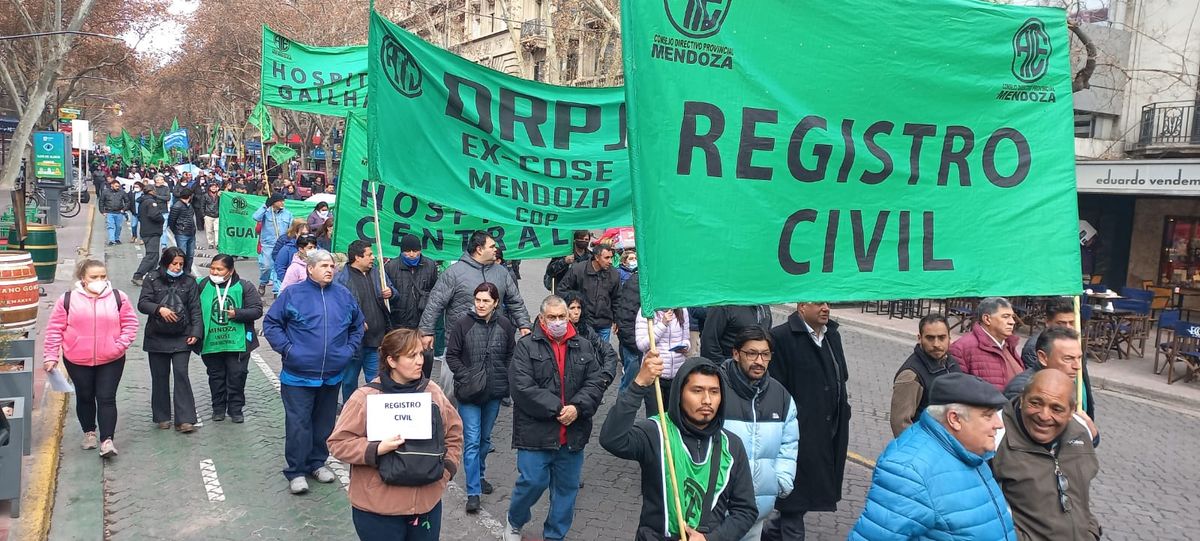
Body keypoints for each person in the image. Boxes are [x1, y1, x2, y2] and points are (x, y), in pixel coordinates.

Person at [600, 352, 759, 540]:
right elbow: (612, 439)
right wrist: (639, 385)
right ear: (679, 393)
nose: (707, 400)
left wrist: (711, 539)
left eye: (714, 392)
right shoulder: (657, 433)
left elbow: (745, 510)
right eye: (697, 391)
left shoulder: (730, 445)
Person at [328, 329, 464, 541]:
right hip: (377, 510)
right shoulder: (364, 397)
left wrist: (447, 469)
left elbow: (454, 433)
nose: (420, 361)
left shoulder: (433, 392)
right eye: (412, 356)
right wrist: (376, 448)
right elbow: (338, 443)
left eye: (421, 354)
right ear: (391, 360)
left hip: (425, 505)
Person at [849, 373, 1016, 540]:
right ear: (954, 419)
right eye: (988, 416)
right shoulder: (909, 472)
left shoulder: (969, 450)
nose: (998, 424)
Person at [503, 296, 607, 541]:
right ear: (542, 318)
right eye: (552, 317)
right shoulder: (526, 346)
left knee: (566, 490)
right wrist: (559, 408)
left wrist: (577, 408)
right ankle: (515, 520)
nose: (558, 321)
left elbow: (595, 382)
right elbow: (521, 387)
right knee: (532, 481)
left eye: (562, 316)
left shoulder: (583, 345)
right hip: (535, 432)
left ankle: (555, 535)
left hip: (572, 434)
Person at [263, 249, 364, 495]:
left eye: (332, 266)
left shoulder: (343, 295)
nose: (330, 269)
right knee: (299, 424)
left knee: (324, 423)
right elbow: (271, 324)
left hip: (331, 375)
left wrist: (347, 351)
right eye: (324, 266)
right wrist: (288, 350)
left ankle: (318, 462)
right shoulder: (293, 294)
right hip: (298, 375)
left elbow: (357, 325)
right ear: (310, 269)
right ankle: (296, 470)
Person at [764, 301, 849, 541]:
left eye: (828, 303)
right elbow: (776, 388)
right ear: (802, 307)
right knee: (794, 503)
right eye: (818, 303)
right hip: (797, 435)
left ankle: (768, 533)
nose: (825, 308)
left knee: (797, 505)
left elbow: (840, 375)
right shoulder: (781, 337)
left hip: (827, 434)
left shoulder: (832, 335)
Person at [43, 260, 139, 457]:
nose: (100, 281)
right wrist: (51, 356)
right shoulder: (67, 300)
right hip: (77, 360)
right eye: (94, 277)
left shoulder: (118, 297)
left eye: (103, 276)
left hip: (112, 359)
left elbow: (130, 323)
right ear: (83, 279)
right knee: (85, 397)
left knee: (106, 398)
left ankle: (107, 441)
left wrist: (118, 345)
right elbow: (55, 329)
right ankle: (89, 432)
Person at [991, 370, 1101, 541]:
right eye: (1035, 403)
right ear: (1022, 399)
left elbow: (1081, 495)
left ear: (1072, 410)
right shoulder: (994, 436)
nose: (1044, 416)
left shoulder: (1080, 432)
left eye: (1056, 409)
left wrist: (1090, 531)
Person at [721, 328, 799, 540]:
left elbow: (789, 444)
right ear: (736, 354)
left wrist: (781, 481)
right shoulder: (716, 390)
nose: (759, 361)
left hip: (757, 510)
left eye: (765, 354)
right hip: (716, 512)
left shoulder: (780, 396)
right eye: (751, 353)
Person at [444, 282, 516, 513]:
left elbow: (511, 354)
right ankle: (473, 491)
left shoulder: (505, 325)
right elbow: (452, 355)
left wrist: (503, 375)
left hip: (494, 392)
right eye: (478, 300)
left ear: (495, 302)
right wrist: (467, 376)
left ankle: (480, 475)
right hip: (469, 394)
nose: (481, 304)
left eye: (486, 300)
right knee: (472, 440)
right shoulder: (462, 324)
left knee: (485, 439)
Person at [418, 231, 532, 353]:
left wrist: (524, 324)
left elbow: (515, 301)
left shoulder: (502, 273)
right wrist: (426, 332)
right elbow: (435, 304)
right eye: (492, 246)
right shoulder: (453, 273)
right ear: (479, 249)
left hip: (494, 345)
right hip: (460, 346)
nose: (495, 249)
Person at [138, 247, 203, 433]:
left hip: (182, 335)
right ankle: (162, 416)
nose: (177, 267)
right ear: (166, 263)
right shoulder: (151, 278)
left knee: (181, 374)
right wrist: (159, 309)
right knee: (159, 376)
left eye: (180, 264)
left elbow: (195, 309)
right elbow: (143, 303)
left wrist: (195, 333)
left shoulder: (189, 281)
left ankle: (185, 419)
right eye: (174, 264)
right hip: (157, 336)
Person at [194, 254, 263, 424]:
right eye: (212, 268)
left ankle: (235, 409)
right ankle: (218, 408)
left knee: (237, 375)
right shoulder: (201, 285)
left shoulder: (244, 286)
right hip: (211, 342)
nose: (215, 272)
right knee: (216, 376)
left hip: (237, 343)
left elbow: (257, 310)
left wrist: (237, 313)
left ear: (230, 270)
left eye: (220, 269)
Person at [1004, 326, 1100, 444]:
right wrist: (1086, 432)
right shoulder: (1021, 389)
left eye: (1079, 358)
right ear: (1043, 357)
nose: (1077, 366)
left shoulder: (1067, 382)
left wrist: (1092, 434)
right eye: (1068, 359)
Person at [333, 240, 396, 402]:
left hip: (377, 340)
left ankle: (374, 415)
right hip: (353, 343)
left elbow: (394, 292)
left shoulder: (377, 273)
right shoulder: (341, 280)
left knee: (375, 382)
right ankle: (350, 412)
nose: (372, 258)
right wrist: (355, 323)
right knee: (349, 382)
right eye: (369, 255)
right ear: (357, 257)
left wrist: (391, 293)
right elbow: (337, 311)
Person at [1017, 300, 1097, 418]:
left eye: (1072, 323)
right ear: (1048, 323)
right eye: (1061, 323)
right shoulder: (1034, 348)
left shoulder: (1074, 343)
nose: (1068, 328)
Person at [889, 313, 963, 437]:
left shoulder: (951, 363)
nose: (936, 344)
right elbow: (900, 423)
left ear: (949, 338)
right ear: (919, 338)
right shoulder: (911, 375)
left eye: (941, 337)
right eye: (930, 338)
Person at [383, 234, 439, 379]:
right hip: (399, 322)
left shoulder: (430, 265)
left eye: (415, 251)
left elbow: (435, 293)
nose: (412, 255)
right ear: (401, 251)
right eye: (408, 251)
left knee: (425, 358)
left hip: (422, 322)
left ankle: (423, 386)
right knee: (401, 360)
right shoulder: (390, 267)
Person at [949, 296, 1023, 390]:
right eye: (1005, 317)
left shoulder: (1009, 345)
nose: (1012, 322)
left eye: (1012, 317)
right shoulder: (961, 348)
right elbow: (959, 390)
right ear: (987, 319)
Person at [557, 243, 621, 342]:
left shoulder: (614, 274)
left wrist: (617, 319)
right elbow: (561, 290)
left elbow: (617, 298)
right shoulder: (578, 270)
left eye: (611, 257)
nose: (610, 261)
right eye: (607, 258)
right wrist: (576, 301)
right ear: (597, 257)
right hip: (584, 322)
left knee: (603, 354)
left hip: (604, 323)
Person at [636, 306, 691, 415]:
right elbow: (641, 344)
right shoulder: (646, 311)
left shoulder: (682, 310)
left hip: (676, 375)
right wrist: (662, 324)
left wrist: (685, 346)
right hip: (655, 375)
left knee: (674, 415)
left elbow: (686, 338)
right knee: (656, 415)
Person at [560, 290, 619, 391]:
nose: (576, 312)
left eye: (579, 308)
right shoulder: (558, 333)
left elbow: (609, 352)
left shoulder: (587, 330)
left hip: (584, 384)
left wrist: (605, 376)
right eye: (572, 308)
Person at [253, 194, 294, 296]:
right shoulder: (266, 213)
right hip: (268, 245)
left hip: (282, 245)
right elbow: (255, 217)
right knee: (266, 266)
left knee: (279, 267)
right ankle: (263, 282)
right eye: (280, 201)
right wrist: (265, 206)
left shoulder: (288, 214)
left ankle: (277, 290)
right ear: (274, 202)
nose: (282, 203)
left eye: (283, 201)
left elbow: (291, 228)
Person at [701, 304, 773, 362]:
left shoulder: (764, 306)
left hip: (755, 371)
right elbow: (709, 341)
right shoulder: (725, 305)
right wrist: (721, 371)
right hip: (727, 368)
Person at [613, 272, 643, 391]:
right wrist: (635, 346)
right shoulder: (636, 282)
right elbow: (625, 317)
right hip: (634, 345)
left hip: (654, 346)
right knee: (629, 386)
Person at [131, 182, 167, 287]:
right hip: (152, 231)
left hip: (147, 231)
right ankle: (138, 275)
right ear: (151, 191)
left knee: (155, 256)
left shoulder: (143, 201)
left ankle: (151, 276)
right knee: (152, 255)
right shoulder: (151, 202)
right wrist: (161, 218)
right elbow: (154, 215)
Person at [272, 219, 310, 285]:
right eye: (302, 234)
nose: (305, 236)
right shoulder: (287, 247)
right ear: (296, 232)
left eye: (307, 234)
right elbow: (279, 265)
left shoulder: (314, 246)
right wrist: (286, 280)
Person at [168, 187, 198, 271]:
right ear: (189, 196)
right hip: (181, 233)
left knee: (190, 255)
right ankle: (181, 272)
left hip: (191, 232)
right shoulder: (177, 206)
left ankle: (187, 272)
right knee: (182, 255)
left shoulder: (189, 205)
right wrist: (177, 230)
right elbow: (171, 221)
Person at [100, 178, 128, 245]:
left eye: (118, 186)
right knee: (110, 226)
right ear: (112, 185)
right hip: (109, 212)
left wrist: (123, 209)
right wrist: (102, 211)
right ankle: (112, 240)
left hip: (119, 212)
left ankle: (117, 238)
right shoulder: (105, 192)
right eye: (116, 186)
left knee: (118, 226)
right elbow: (101, 201)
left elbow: (127, 201)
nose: (117, 187)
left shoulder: (122, 192)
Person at [199, 182, 221, 249]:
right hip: (208, 215)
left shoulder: (219, 195)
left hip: (217, 215)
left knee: (217, 230)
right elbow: (202, 206)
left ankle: (217, 244)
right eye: (212, 187)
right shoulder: (205, 196)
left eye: (215, 187)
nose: (214, 188)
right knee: (209, 230)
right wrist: (204, 215)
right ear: (209, 188)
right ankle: (210, 243)